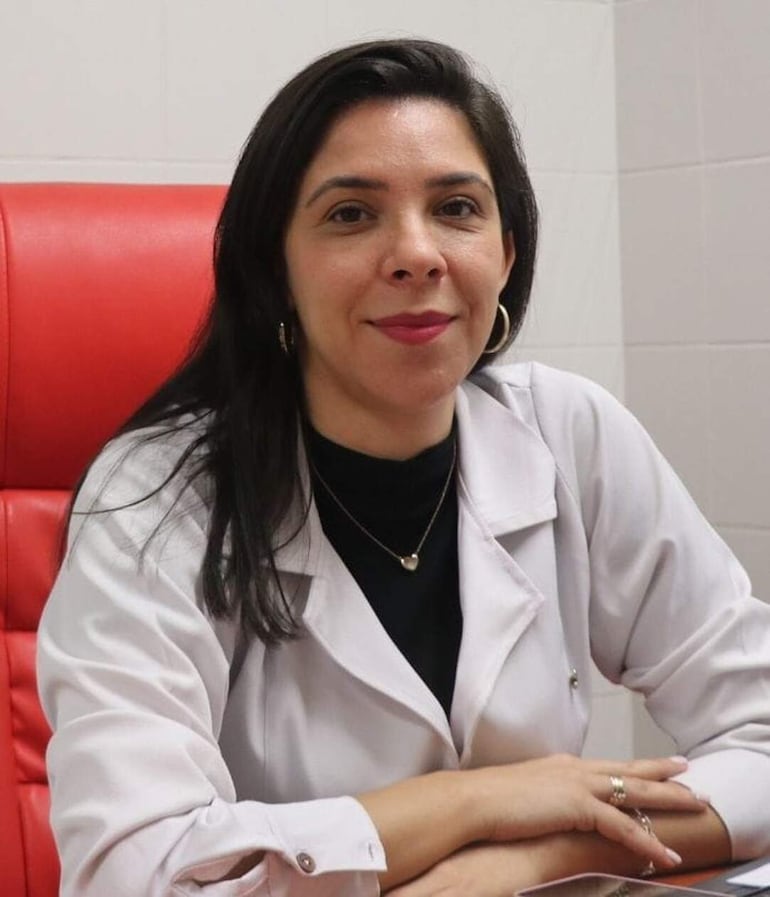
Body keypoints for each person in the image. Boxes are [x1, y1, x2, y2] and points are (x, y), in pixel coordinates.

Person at [37, 38, 770, 897]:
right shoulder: (155, 497)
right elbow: (128, 875)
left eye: (456, 207)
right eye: (352, 214)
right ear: (275, 267)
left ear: (507, 252)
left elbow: (759, 734)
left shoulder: (571, 433)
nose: (417, 254)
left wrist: (539, 855)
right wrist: (480, 801)